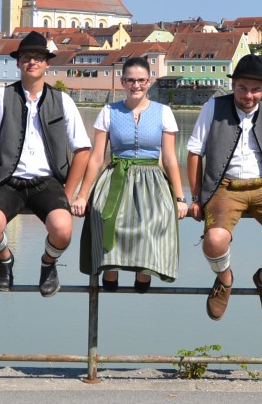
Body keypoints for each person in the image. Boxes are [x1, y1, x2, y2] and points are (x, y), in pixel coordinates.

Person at [186, 54, 262, 321]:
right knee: (214, 240)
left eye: (255, 89)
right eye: (242, 88)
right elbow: (194, 152)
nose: (248, 95)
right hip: (224, 186)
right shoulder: (213, 107)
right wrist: (196, 198)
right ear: (233, 85)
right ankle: (224, 280)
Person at [0, 31, 91, 297]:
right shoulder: (1, 97)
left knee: (63, 229)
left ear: (47, 63)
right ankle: (5, 259)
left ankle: (48, 263)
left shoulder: (63, 100)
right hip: (7, 181)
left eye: (38, 57)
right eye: (26, 57)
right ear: (18, 62)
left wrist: (68, 193)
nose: (32, 62)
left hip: (48, 182)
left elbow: (83, 150)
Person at [73, 56, 188, 292]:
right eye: (131, 80)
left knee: (155, 220)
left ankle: (144, 271)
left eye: (141, 80)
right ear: (123, 82)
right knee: (102, 214)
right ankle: (110, 268)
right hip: (116, 176)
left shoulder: (164, 112)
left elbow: (169, 159)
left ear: (149, 82)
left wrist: (180, 198)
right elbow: (96, 158)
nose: (136, 85)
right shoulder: (109, 111)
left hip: (152, 180)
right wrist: (82, 195)